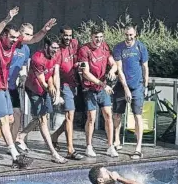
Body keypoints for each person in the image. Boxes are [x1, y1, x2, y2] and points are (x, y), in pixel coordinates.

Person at [0, 6, 56, 168]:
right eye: (12, 37)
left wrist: (44, 30)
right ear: (4, 36)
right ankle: (15, 155)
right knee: (3, 119)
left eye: (17, 37)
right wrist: (7, 19)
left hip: (5, 87)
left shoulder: (17, 46)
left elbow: (34, 39)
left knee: (8, 118)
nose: (15, 40)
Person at [15, 34, 67, 164]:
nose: (55, 50)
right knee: (43, 119)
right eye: (53, 48)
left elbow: (55, 74)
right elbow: (42, 82)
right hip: (33, 88)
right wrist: (51, 91)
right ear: (46, 46)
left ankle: (21, 136)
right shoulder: (37, 58)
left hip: (45, 88)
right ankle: (53, 153)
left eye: (57, 48)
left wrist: (57, 92)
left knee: (42, 117)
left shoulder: (57, 54)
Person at [78, 25, 119, 158]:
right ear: (91, 37)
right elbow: (85, 73)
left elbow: (113, 63)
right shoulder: (84, 50)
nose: (98, 40)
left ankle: (110, 146)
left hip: (103, 88)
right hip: (90, 88)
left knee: (108, 115)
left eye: (101, 37)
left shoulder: (105, 47)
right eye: (96, 37)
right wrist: (102, 83)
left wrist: (112, 71)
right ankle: (89, 146)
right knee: (91, 117)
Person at [112, 24, 149, 159]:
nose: (128, 37)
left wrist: (145, 85)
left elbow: (145, 67)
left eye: (131, 35)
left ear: (135, 34)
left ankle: (138, 147)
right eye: (126, 35)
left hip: (137, 86)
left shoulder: (141, 47)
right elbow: (119, 69)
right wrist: (126, 88)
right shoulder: (118, 48)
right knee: (117, 114)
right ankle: (116, 139)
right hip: (122, 86)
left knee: (137, 116)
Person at [50, 25, 83, 160]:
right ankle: (70, 150)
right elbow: (55, 72)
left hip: (76, 84)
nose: (68, 37)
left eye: (70, 35)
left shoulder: (75, 44)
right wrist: (56, 90)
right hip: (64, 85)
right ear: (61, 35)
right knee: (70, 115)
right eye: (65, 35)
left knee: (71, 117)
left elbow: (79, 58)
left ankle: (54, 136)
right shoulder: (58, 51)